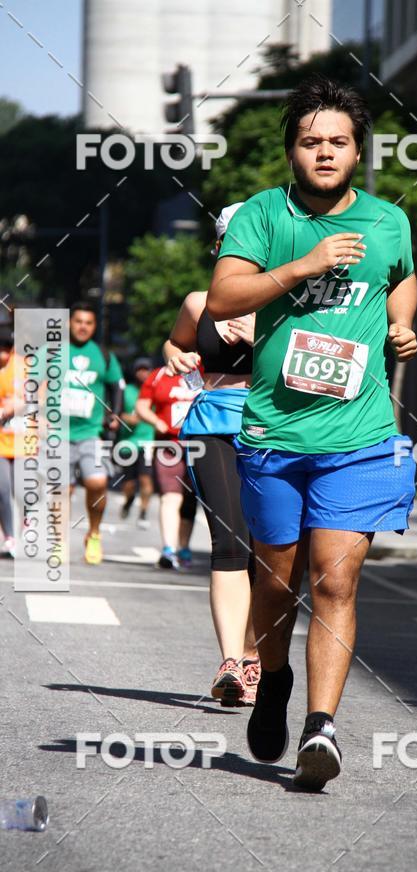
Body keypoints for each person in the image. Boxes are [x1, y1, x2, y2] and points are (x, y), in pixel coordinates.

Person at [207, 75, 417, 789]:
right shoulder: (263, 215)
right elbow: (223, 297)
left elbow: (401, 276)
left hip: (360, 435)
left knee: (335, 580)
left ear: (358, 152)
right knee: (275, 585)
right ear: (291, 151)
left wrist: (401, 322)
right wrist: (303, 265)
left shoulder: (388, 220)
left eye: (338, 142)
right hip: (275, 433)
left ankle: (320, 728)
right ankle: (273, 678)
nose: (324, 152)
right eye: (310, 142)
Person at [163, 202, 260, 707]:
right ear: (218, 247)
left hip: (272, 427)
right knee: (230, 541)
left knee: (270, 549)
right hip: (212, 425)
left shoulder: (284, 302)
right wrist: (176, 356)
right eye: (230, 241)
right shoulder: (198, 302)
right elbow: (173, 343)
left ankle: (255, 654)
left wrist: (263, 338)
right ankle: (231, 664)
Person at [65, 302, 124, 564]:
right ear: (70, 323)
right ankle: (59, 540)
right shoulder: (53, 351)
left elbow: (117, 385)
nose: (83, 327)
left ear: (94, 326)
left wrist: (115, 415)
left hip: (92, 432)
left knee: (98, 483)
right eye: (78, 321)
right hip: (58, 432)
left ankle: (94, 533)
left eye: (88, 323)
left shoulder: (103, 354)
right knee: (61, 488)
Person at [135, 364, 197, 569]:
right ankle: (168, 549)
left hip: (198, 445)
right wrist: (156, 421)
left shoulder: (200, 370)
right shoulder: (159, 375)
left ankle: (184, 547)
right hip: (168, 445)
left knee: (190, 499)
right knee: (171, 496)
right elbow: (142, 406)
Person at [118, 357, 154, 529]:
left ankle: (143, 512)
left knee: (146, 479)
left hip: (147, 442)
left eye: (146, 369)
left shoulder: (154, 390)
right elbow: (115, 412)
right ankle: (128, 500)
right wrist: (127, 418)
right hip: (128, 443)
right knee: (130, 483)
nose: (143, 373)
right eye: (140, 369)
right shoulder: (126, 391)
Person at [0, 327, 25, 558]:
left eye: (7, 349)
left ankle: (27, 523)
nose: (3, 355)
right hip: (1, 442)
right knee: (2, 488)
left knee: (22, 490)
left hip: (23, 440)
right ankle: (9, 536)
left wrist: (17, 405)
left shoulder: (24, 367)